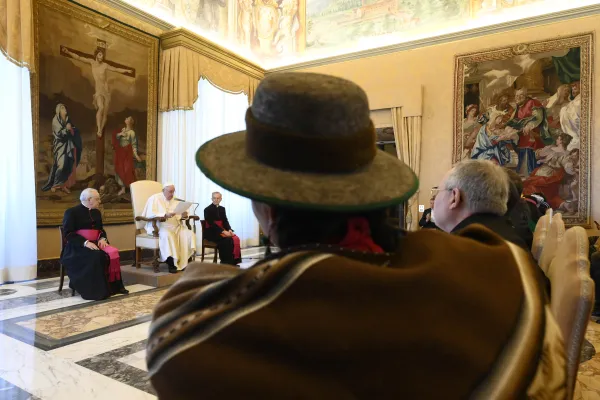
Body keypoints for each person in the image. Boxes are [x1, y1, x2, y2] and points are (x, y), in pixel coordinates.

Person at [146, 72, 566, 398]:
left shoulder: (214, 333)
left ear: (266, 207)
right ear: (374, 187)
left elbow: (172, 338)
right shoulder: (500, 268)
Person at [432, 159, 528, 251]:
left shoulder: (450, 253)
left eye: (438, 191)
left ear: (454, 197)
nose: (434, 199)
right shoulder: (515, 243)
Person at [60, 189, 128, 300]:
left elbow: (101, 230)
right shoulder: (71, 212)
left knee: (112, 253)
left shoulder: (97, 212)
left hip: (96, 244)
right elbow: (68, 234)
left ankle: (115, 288)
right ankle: (95, 291)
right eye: (97, 199)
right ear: (89, 199)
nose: (100, 201)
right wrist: (85, 243)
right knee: (96, 256)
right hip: (77, 247)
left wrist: (102, 238)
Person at [141, 182, 196, 273]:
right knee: (168, 235)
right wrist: (164, 215)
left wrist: (184, 215)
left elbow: (179, 215)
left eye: (173, 192)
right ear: (163, 190)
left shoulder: (175, 200)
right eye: (170, 192)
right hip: (160, 227)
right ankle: (171, 264)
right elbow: (150, 214)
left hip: (176, 226)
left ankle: (184, 263)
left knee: (189, 234)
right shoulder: (154, 199)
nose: (172, 194)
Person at [42, 104, 82, 194]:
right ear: (58, 110)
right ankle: (55, 184)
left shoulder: (68, 119)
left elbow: (73, 129)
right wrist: (67, 129)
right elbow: (58, 133)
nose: (65, 109)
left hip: (68, 145)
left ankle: (63, 185)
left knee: (68, 165)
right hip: (60, 145)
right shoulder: (55, 120)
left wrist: (72, 129)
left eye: (65, 107)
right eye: (62, 108)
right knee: (61, 164)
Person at [203, 192, 241, 265]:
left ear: (220, 199)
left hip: (221, 230)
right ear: (212, 199)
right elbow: (211, 224)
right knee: (226, 240)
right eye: (214, 198)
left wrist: (229, 229)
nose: (216, 200)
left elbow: (225, 221)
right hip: (212, 232)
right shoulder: (207, 209)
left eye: (218, 198)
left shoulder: (222, 209)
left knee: (234, 239)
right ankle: (225, 262)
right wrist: (223, 231)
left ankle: (233, 262)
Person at [112, 116, 142, 195]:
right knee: (119, 169)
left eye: (128, 118)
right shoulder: (123, 130)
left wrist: (136, 155)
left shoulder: (132, 132)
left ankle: (131, 188)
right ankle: (123, 188)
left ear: (131, 121)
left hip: (127, 153)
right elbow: (116, 137)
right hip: (120, 153)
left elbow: (134, 144)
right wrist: (120, 134)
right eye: (126, 118)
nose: (126, 119)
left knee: (127, 170)